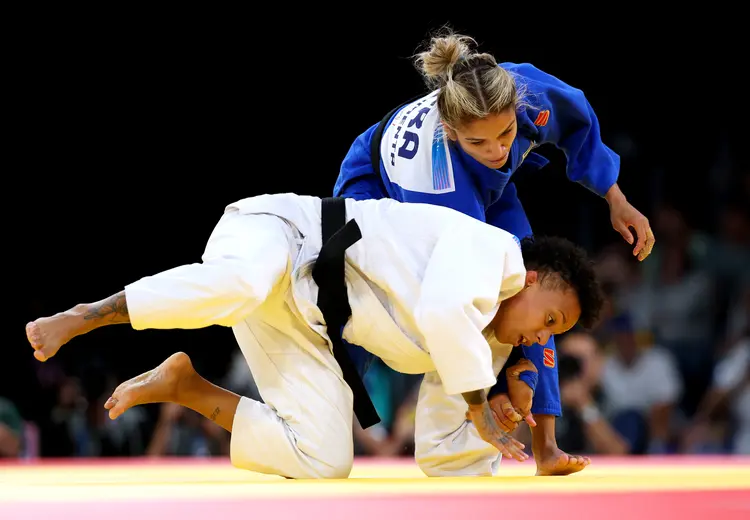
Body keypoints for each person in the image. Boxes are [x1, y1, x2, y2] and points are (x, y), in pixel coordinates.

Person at [25, 192, 603, 479]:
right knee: (241, 284)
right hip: (284, 235)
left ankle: (186, 386)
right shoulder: (493, 252)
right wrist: (481, 398)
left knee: (325, 460)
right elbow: (447, 314)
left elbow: (442, 452)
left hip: (307, 319)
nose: (539, 338)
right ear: (531, 279)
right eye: (550, 318)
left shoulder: (483, 342)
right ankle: (90, 313)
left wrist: (495, 425)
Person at [333, 28, 653, 475]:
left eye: (506, 134)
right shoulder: (436, 183)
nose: (499, 150)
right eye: (479, 142)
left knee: (537, 292)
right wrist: (497, 388)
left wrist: (616, 199)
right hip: (377, 184)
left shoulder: (526, 93)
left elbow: (578, 125)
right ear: (451, 132)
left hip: (487, 191)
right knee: (365, 304)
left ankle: (546, 446)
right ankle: (334, 400)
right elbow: (458, 298)